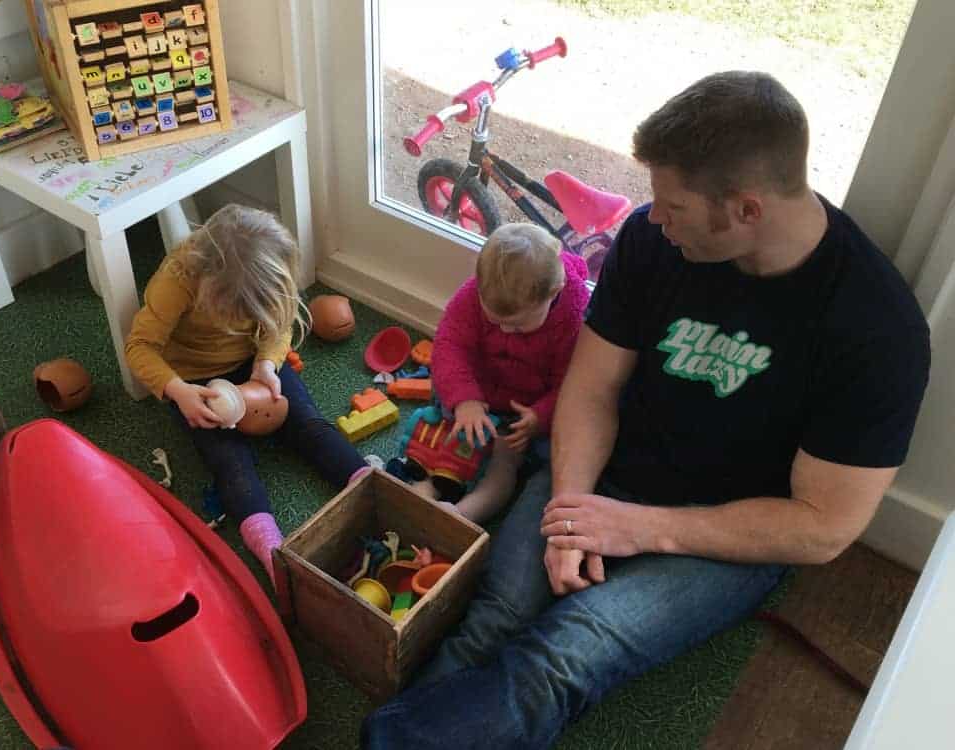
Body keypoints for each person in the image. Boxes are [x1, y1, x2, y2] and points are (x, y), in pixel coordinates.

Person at [361, 71, 931, 749]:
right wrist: (574, 512)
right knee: (499, 610)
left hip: (725, 534)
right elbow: (592, 389)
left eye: (674, 206)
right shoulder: (651, 239)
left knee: (563, 656)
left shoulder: (876, 329)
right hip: (602, 472)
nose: (652, 217)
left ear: (746, 209)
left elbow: (822, 528)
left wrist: (638, 528)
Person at [125, 204, 369, 583]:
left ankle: (370, 483)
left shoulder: (271, 264)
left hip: (255, 363)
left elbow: (280, 323)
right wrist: (178, 391)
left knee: (309, 425)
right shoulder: (177, 279)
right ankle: (270, 550)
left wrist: (268, 364)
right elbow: (139, 346)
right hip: (196, 382)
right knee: (230, 462)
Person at [427, 222, 589, 523]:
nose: (504, 330)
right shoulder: (474, 293)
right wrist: (465, 400)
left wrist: (539, 417)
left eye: (516, 325)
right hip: (477, 392)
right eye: (494, 320)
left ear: (554, 292)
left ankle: (465, 513)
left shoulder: (573, 319)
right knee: (444, 421)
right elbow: (450, 344)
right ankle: (427, 482)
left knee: (507, 458)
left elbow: (573, 384)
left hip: (524, 412)